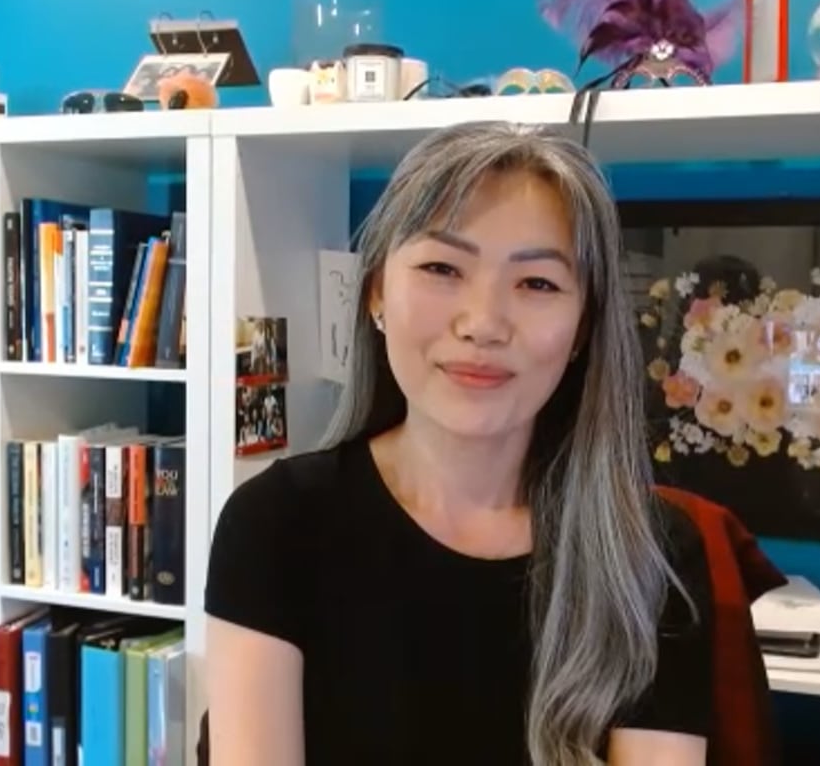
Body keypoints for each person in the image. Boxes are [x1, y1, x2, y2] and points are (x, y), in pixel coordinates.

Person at [204, 122, 715, 765]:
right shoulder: (278, 523)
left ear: (584, 327)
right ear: (377, 294)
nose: (482, 324)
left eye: (537, 284)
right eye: (442, 268)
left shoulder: (649, 553)